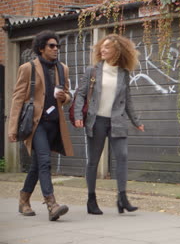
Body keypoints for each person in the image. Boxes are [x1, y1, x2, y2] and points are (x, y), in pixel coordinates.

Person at [74, 34, 144, 215]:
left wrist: (136, 121)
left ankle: (122, 198)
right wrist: (77, 115)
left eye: (107, 47)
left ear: (117, 50)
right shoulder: (92, 71)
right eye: (101, 47)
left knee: (122, 156)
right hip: (96, 121)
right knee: (93, 161)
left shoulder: (123, 74)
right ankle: (91, 199)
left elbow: (127, 100)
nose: (102, 50)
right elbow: (80, 94)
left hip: (117, 121)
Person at [8, 30, 73, 221]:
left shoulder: (63, 68)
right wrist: (12, 129)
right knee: (45, 162)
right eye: (51, 46)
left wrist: (65, 97)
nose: (56, 49)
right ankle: (52, 204)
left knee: (37, 166)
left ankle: (24, 199)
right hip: (36, 125)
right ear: (41, 48)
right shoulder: (28, 68)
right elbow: (18, 98)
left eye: (57, 46)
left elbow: (68, 94)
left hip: (54, 124)